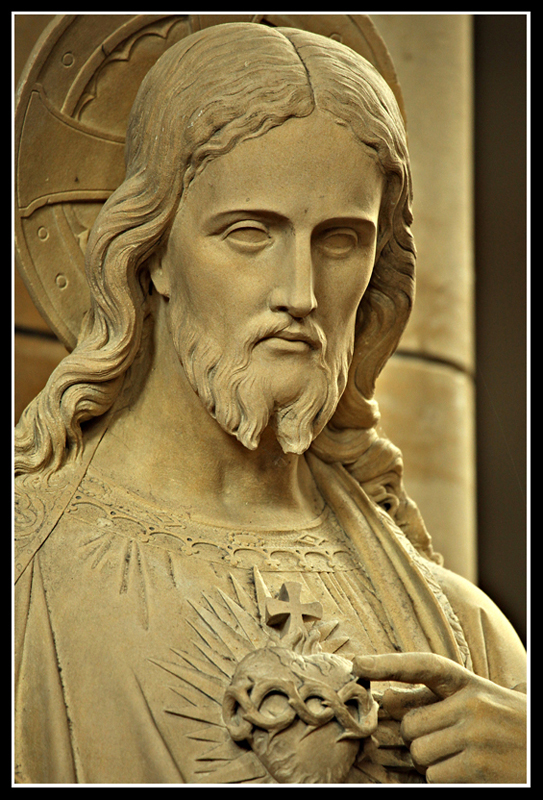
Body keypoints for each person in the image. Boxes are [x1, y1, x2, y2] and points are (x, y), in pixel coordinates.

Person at [14, 22, 526, 785]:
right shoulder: (27, 575)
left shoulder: (464, 634)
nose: (300, 294)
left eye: (341, 240)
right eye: (250, 233)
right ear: (149, 252)